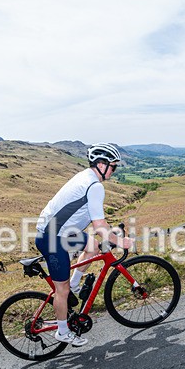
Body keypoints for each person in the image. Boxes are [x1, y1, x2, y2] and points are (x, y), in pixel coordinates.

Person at [35, 143, 134, 346]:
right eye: (113, 167)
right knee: (60, 290)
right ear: (101, 164)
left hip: (61, 232)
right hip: (52, 238)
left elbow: (97, 222)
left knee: (93, 247)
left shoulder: (85, 176)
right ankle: (62, 332)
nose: (114, 171)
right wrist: (121, 241)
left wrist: (110, 234)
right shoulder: (94, 186)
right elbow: (99, 226)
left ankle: (75, 284)